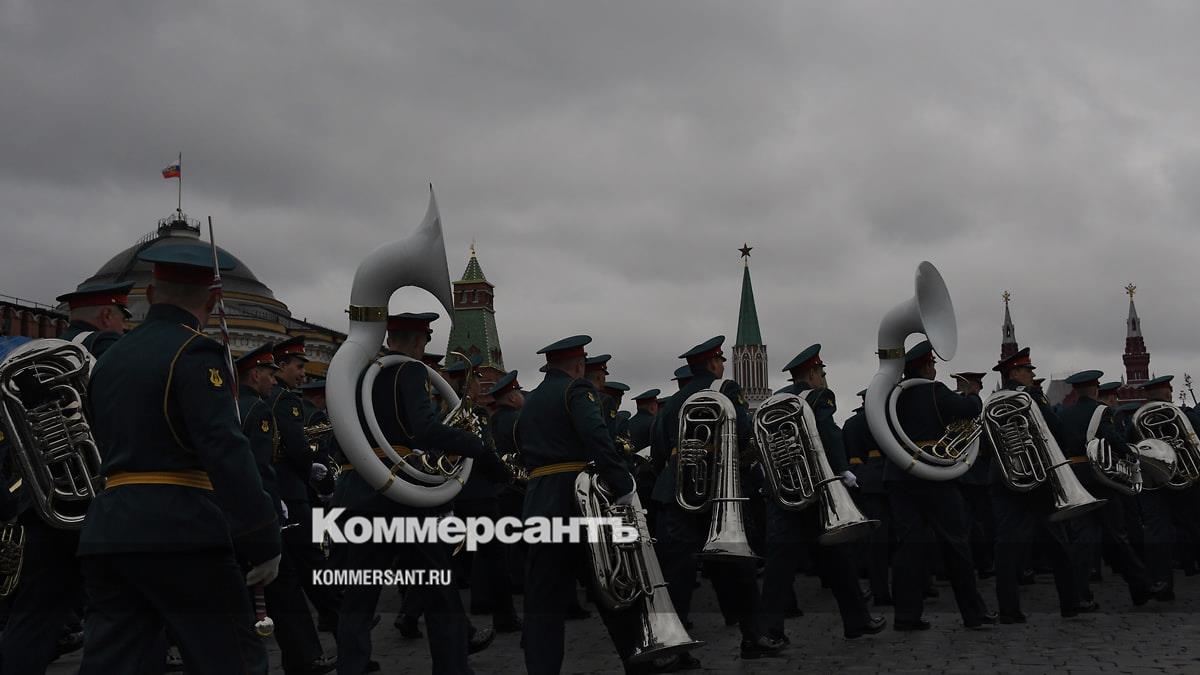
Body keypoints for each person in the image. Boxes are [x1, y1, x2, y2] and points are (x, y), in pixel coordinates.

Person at [76, 243, 281, 674]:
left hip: (109, 531)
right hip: (182, 532)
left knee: (117, 663)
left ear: (150, 295)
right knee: (231, 662)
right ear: (212, 300)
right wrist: (261, 537)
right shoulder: (197, 352)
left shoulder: (108, 361)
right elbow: (225, 449)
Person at [334, 312, 510, 675]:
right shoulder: (408, 370)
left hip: (359, 492)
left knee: (358, 595)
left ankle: (351, 666)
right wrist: (474, 445)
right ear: (419, 341)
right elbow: (423, 428)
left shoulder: (351, 376)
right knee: (439, 591)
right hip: (401, 492)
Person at [0, 282, 132, 673]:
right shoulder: (105, 349)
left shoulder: (31, 357)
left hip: (44, 506)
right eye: (122, 320)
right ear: (109, 315)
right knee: (119, 615)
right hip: (99, 503)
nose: (123, 329)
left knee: (36, 615)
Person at [651, 336, 784, 666]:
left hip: (676, 492)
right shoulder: (723, 390)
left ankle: (674, 646)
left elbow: (657, 451)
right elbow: (744, 429)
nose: (723, 366)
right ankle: (753, 637)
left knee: (678, 574)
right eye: (721, 361)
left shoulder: (673, 401)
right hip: (718, 492)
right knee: (738, 568)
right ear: (713, 364)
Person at [518, 335, 644, 674]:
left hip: (538, 502)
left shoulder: (529, 401)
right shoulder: (576, 390)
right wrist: (623, 483)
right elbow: (597, 437)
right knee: (611, 585)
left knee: (542, 600)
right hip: (576, 501)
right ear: (578, 366)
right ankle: (638, 656)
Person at [762, 344, 884, 642]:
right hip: (816, 490)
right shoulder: (818, 397)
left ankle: (769, 629)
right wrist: (843, 469)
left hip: (786, 491)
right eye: (821, 373)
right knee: (834, 556)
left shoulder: (776, 401)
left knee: (791, 563)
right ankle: (856, 621)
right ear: (814, 373)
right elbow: (828, 433)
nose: (823, 378)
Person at [237, 343, 335, 674]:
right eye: (270, 373)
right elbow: (264, 461)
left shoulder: (232, 404)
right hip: (277, 501)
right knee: (296, 571)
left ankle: (306, 651)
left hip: (240, 506)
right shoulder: (265, 407)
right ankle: (310, 650)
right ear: (256, 374)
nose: (274, 380)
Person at [884, 340, 993, 631]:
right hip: (933, 474)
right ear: (926, 366)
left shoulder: (888, 395)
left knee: (908, 548)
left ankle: (906, 616)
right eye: (933, 364)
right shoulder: (935, 390)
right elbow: (967, 411)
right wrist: (972, 394)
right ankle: (973, 613)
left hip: (899, 476)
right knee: (956, 544)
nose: (935, 369)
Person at [989, 347, 1091, 623]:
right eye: (1027, 371)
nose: (1031, 377)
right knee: (1058, 544)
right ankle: (1070, 603)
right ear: (1015, 373)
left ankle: (1009, 610)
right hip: (1039, 481)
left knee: (1008, 547)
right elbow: (1056, 429)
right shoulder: (1032, 398)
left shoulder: (993, 400)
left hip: (1005, 481)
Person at [1057, 369, 1159, 607]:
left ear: (1075, 391)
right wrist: (1131, 453)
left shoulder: (1064, 414)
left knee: (1082, 539)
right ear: (1095, 389)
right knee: (1118, 535)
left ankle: (1079, 596)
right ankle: (1140, 587)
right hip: (1101, 479)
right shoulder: (1102, 411)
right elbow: (1113, 439)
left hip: (1076, 479)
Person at [269, 336, 341, 632]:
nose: (302, 374)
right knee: (311, 561)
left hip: (272, 492)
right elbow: (298, 449)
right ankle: (338, 617)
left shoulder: (263, 398)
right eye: (298, 367)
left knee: (285, 571)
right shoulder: (287, 400)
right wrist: (315, 476)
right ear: (281, 366)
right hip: (293, 493)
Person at [843, 388, 892, 605]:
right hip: (880, 479)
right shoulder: (880, 419)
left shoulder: (851, 423)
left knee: (863, 537)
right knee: (882, 540)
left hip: (857, 479)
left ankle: (864, 581)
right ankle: (881, 591)